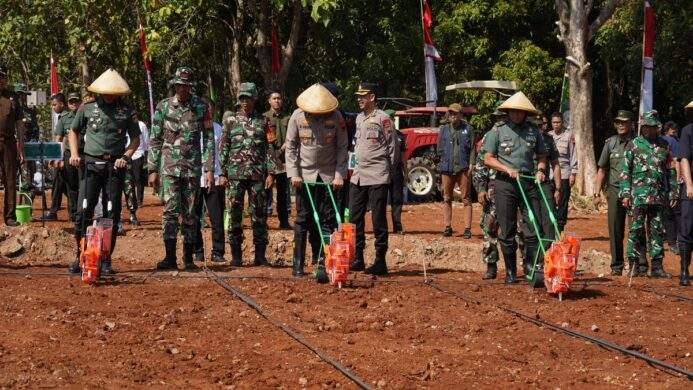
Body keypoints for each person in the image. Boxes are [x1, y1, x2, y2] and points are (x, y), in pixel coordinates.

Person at [67, 68, 140, 275]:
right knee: (83, 211)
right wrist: (74, 153)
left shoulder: (127, 110)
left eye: (113, 92)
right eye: (105, 92)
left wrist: (126, 157)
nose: (109, 95)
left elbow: (135, 138)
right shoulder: (87, 107)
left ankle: (106, 259)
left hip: (114, 167)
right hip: (91, 165)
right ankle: (80, 255)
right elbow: (73, 131)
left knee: (111, 213)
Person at [147, 67, 214, 271]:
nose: (183, 88)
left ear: (191, 87)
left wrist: (209, 168)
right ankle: (169, 257)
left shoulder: (201, 106)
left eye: (186, 85)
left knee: (192, 213)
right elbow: (155, 138)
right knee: (170, 212)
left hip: (192, 169)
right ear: (174, 85)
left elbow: (209, 138)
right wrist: (152, 168)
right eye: (179, 85)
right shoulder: (163, 107)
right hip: (169, 169)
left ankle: (188, 258)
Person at [482, 92, 547, 284]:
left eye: (520, 112)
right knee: (507, 228)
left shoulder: (533, 131)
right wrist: (506, 168)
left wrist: (541, 170)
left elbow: (542, 155)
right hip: (506, 184)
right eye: (513, 112)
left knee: (532, 226)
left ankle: (530, 267)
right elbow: (488, 158)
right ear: (508, 112)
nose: (516, 115)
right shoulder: (498, 130)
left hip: (528, 182)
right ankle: (510, 271)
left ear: (525, 113)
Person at [285, 83, 347, 280]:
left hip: (328, 176)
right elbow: (292, 146)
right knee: (303, 219)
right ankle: (297, 264)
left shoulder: (336, 117)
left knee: (327, 219)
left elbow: (342, 147)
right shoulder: (297, 116)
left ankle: (323, 262)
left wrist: (339, 174)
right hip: (304, 176)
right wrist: (294, 173)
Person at [219, 82, 274, 267]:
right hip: (234, 176)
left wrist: (271, 173)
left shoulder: (264, 121)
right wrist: (222, 172)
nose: (244, 102)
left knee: (259, 215)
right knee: (234, 215)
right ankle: (236, 256)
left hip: (257, 175)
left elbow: (269, 149)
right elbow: (224, 147)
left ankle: (260, 255)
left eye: (248, 98)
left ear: (254, 99)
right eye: (242, 98)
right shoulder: (230, 121)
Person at [620, 110, 677, 278]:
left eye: (651, 127)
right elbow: (625, 172)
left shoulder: (664, 146)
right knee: (635, 230)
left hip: (657, 196)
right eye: (645, 126)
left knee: (657, 230)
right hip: (638, 196)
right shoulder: (633, 145)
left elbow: (670, 171)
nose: (647, 130)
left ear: (656, 127)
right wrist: (625, 194)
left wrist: (673, 191)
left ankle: (657, 266)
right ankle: (633, 264)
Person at [349, 82, 397, 276]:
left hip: (378, 174)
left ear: (372, 97)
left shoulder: (383, 118)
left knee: (378, 219)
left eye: (363, 96)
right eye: (358, 96)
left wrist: (389, 172)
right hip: (359, 175)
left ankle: (380, 260)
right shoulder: (359, 118)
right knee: (354, 217)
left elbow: (392, 148)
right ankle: (358, 257)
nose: (359, 99)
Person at [594, 110, 639, 276]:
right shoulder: (610, 143)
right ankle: (617, 266)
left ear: (631, 124)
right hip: (614, 190)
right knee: (615, 229)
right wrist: (596, 193)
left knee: (636, 227)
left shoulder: (638, 143)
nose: (620, 124)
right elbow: (602, 169)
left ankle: (638, 265)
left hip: (634, 191)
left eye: (624, 122)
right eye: (618, 122)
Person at [436, 103, 474, 238]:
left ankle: (467, 229)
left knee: (466, 199)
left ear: (460, 114)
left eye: (455, 113)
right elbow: (439, 149)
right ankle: (447, 227)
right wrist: (441, 165)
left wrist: (471, 164)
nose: (453, 116)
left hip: (463, 168)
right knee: (446, 198)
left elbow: (472, 148)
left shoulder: (468, 129)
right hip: (447, 168)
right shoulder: (444, 129)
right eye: (451, 113)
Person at [194, 102, 225, 263]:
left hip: (215, 177)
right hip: (195, 177)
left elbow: (222, 152)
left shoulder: (218, 128)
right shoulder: (192, 127)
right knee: (194, 216)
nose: (207, 112)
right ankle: (198, 250)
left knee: (216, 217)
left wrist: (221, 173)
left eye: (209, 109)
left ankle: (218, 251)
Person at [0, 65, 26, 226]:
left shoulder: (13, 97)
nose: (0, 79)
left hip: (9, 142)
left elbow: (20, 125)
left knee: (10, 180)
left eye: (2, 76)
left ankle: (10, 217)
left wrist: (20, 148)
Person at [51, 92, 82, 222]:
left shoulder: (86, 116)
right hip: (69, 155)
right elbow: (58, 139)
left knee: (85, 185)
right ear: (67, 104)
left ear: (80, 102)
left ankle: (84, 212)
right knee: (71, 186)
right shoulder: (64, 119)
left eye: (76, 101)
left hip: (85, 154)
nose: (73, 104)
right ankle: (74, 214)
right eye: (71, 102)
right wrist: (56, 158)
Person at [263, 90, 291, 229]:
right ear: (269, 101)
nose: (277, 100)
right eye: (274, 98)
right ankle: (263, 222)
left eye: (279, 98)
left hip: (283, 160)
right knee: (265, 191)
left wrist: (288, 144)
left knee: (283, 193)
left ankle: (284, 222)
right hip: (268, 159)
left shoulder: (288, 117)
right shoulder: (264, 117)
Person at [548, 112, 577, 232]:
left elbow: (573, 155)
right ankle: (550, 229)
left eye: (558, 122)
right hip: (550, 175)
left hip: (564, 173)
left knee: (562, 203)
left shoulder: (569, 136)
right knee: (550, 202)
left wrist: (573, 173)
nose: (556, 125)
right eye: (554, 122)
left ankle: (559, 229)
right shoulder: (548, 136)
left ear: (562, 123)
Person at [677, 100, 693, 286]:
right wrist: (689, 184)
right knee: (687, 228)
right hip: (691, 188)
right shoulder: (688, 131)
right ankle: (683, 270)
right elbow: (684, 160)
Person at [44, 93, 67, 220]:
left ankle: (74, 211)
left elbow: (63, 141)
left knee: (64, 184)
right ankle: (54, 211)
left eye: (54, 104)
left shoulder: (67, 118)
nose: (53, 107)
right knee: (58, 183)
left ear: (62, 104)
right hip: (59, 156)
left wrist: (58, 157)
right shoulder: (58, 118)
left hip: (64, 156)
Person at [123, 111, 148, 225]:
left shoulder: (140, 125)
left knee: (130, 185)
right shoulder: (117, 122)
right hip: (113, 157)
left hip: (131, 157)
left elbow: (142, 141)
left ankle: (132, 213)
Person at [15, 83, 39, 198]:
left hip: (27, 149)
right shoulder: (7, 108)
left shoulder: (30, 111)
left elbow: (35, 130)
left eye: (24, 95)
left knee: (29, 179)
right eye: (20, 95)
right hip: (11, 148)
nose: (23, 97)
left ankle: (27, 205)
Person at [661, 120, 680, 254]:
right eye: (673, 131)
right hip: (671, 180)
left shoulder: (658, 140)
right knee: (674, 212)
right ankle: (674, 242)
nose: (674, 133)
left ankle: (666, 238)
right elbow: (676, 162)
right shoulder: (671, 141)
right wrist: (679, 178)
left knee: (665, 211)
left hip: (659, 182)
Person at [387, 109, 406, 234]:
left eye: (392, 119)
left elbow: (403, 156)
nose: (391, 121)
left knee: (397, 200)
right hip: (382, 171)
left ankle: (397, 226)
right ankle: (381, 228)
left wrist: (406, 171)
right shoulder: (379, 135)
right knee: (379, 200)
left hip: (397, 171)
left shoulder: (400, 136)